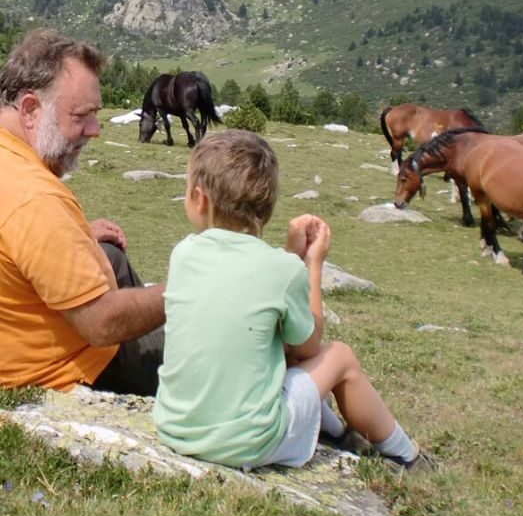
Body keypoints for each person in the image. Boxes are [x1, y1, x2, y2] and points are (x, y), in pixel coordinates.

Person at [152, 129, 427, 471]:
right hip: (248, 443)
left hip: (175, 426)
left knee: (269, 351)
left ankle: (336, 431)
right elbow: (308, 346)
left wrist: (290, 259)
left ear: (199, 198)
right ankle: (405, 454)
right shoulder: (282, 269)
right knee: (339, 357)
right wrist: (311, 264)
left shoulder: (184, 253)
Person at [0, 28, 164, 394]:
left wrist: (75, 238)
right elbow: (100, 325)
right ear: (30, 109)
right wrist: (192, 289)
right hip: (72, 364)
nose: (95, 131)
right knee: (210, 346)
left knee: (109, 256)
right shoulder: (36, 199)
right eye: (82, 115)